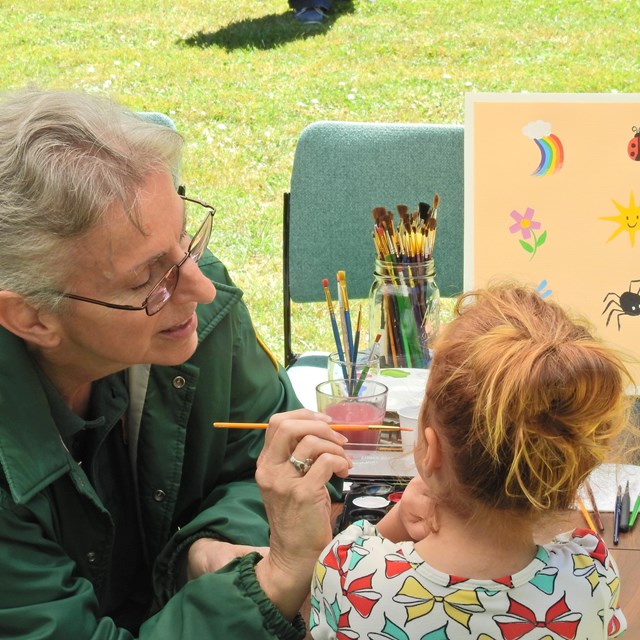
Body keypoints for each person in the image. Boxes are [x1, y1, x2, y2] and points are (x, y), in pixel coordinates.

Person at [0, 87, 350, 639]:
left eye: (185, 235)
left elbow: (266, 459)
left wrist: (202, 550)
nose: (202, 287)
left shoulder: (186, 315)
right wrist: (272, 581)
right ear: (31, 318)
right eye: (146, 277)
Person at [310, 284, 632, 639]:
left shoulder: (349, 574)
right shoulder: (591, 579)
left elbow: (357, 560)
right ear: (571, 467)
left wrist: (397, 520)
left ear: (431, 449)